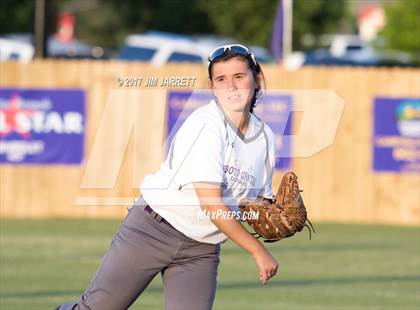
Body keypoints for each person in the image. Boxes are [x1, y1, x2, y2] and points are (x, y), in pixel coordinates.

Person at [56, 44, 279, 310]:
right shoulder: (206, 125)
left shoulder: (265, 139)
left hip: (201, 250)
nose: (231, 86)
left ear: (258, 79)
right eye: (221, 79)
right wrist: (258, 249)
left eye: (239, 76)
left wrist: (272, 214)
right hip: (153, 229)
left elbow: (253, 202)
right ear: (212, 87)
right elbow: (211, 205)